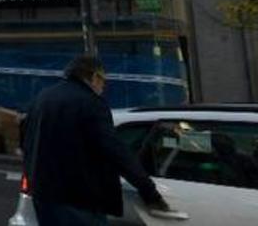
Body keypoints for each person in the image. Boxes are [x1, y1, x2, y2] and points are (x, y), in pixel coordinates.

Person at [22, 54, 171, 226]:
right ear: (93, 77)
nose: (104, 87)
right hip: (79, 199)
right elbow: (115, 151)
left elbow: (26, 140)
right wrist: (148, 190)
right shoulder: (91, 104)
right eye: (103, 81)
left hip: (43, 194)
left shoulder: (43, 98)